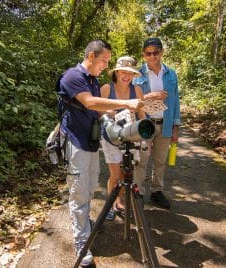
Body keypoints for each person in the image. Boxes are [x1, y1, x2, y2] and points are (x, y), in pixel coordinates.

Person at [58, 40, 144, 266]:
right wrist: (126, 103)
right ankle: (81, 242)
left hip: (91, 143)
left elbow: (99, 111)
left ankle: (83, 224)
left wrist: (116, 120)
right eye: (104, 60)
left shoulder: (94, 81)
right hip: (75, 144)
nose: (106, 65)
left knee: (88, 189)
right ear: (90, 57)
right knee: (78, 195)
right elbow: (89, 103)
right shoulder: (72, 77)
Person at [133, 37, 181, 209]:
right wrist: (150, 96)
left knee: (160, 161)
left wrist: (176, 126)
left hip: (165, 123)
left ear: (161, 52)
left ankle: (157, 192)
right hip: (145, 123)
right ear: (143, 55)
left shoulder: (171, 74)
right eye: (148, 53)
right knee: (142, 160)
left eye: (156, 52)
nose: (152, 56)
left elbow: (175, 101)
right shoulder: (137, 75)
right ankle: (137, 193)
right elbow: (132, 101)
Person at [99, 56, 146, 221]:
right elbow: (98, 111)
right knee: (116, 174)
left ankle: (120, 202)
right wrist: (108, 112)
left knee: (128, 174)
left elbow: (142, 114)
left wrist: (146, 137)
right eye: (123, 72)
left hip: (132, 136)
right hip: (111, 137)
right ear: (116, 72)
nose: (127, 76)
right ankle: (113, 203)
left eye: (130, 73)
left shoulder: (137, 91)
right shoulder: (106, 88)